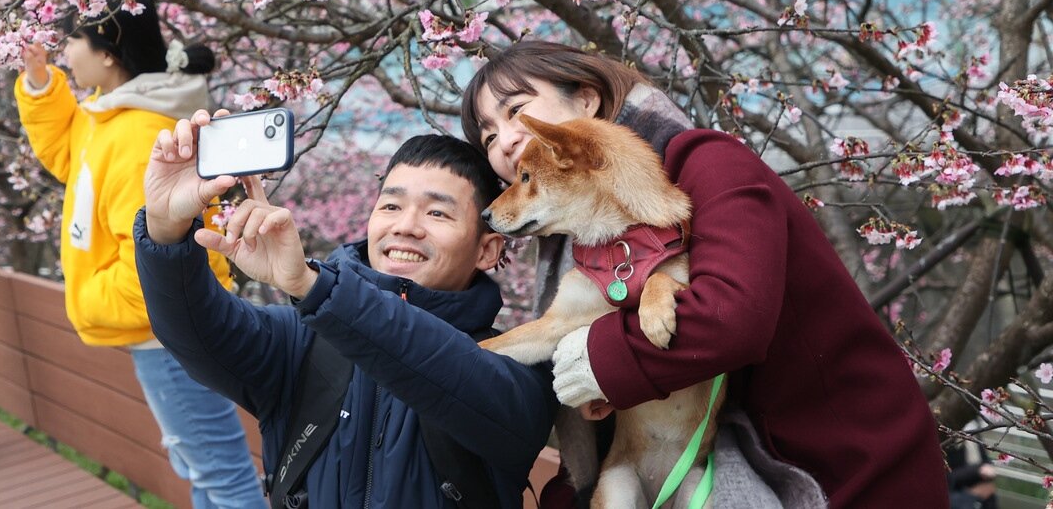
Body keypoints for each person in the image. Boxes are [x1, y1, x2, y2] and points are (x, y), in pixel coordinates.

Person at [460, 40, 950, 509]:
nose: (505, 140)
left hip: (848, 467)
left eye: (516, 110)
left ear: (586, 100)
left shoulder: (711, 164)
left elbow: (731, 316)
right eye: (487, 137)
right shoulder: (583, 236)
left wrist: (596, 360)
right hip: (722, 462)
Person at [135, 119, 557, 509]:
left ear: (487, 249)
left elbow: (452, 373)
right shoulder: (302, 340)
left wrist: (313, 286)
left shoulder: (515, 367)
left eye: (437, 212)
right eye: (390, 206)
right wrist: (165, 228)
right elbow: (195, 328)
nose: (405, 226)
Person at [14, 0, 265, 509]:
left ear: (107, 52)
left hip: (168, 336)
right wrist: (41, 85)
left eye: (73, 41)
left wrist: (89, 295)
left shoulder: (135, 134)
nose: (65, 53)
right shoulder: (111, 119)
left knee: (221, 475)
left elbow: (148, 266)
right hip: (166, 332)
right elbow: (69, 154)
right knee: (202, 468)